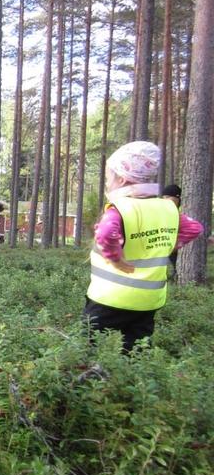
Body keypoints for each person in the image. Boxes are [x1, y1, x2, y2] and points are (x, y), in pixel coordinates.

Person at [84, 143, 202, 353]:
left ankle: (91, 377)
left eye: (109, 178)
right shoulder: (167, 208)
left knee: (89, 345)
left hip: (110, 297)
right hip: (148, 300)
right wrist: (173, 244)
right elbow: (195, 228)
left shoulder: (120, 209)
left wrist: (116, 258)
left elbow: (104, 234)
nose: (107, 183)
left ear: (122, 179)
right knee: (137, 350)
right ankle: (131, 379)